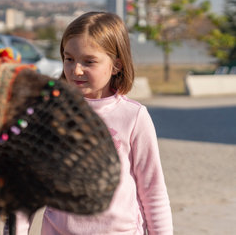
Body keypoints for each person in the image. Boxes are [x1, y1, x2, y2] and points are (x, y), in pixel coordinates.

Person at [29, 12, 173, 234]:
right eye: (69, 59)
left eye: (89, 61)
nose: (76, 70)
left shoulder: (134, 116)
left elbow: (153, 190)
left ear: (116, 65)